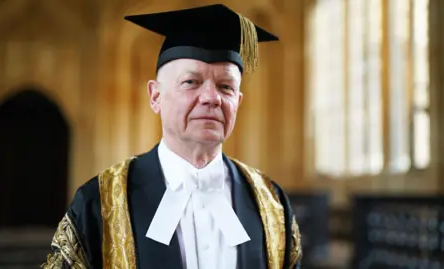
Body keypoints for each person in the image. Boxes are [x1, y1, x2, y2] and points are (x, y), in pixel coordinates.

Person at [42, 4, 302, 269]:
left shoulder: (272, 204)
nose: (212, 98)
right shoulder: (99, 202)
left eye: (226, 87)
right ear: (155, 97)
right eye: (191, 82)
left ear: (238, 101)